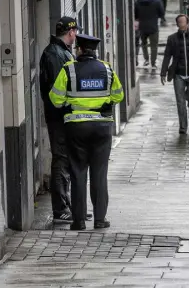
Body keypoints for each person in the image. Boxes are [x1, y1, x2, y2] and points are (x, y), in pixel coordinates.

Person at [49, 34, 124, 230]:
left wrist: (69, 104)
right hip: (102, 128)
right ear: (95, 51)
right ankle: (100, 219)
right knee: (99, 173)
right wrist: (105, 103)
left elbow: (55, 99)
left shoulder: (69, 70)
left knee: (77, 172)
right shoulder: (106, 69)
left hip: (76, 128)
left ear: (79, 49)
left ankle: (79, 221)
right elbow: (118, 95)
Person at [39, 16, 92, 223]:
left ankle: (69, 207)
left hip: (63, 117)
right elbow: (57, 91)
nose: (76, 36)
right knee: (61, 160)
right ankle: (61, 209)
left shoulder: (60, 52)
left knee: (66, 160)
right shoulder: (55, 54)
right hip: (59, 118)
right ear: (71, 32)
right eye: (75, 32)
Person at [160, 14, 189, 134]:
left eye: (183, 22)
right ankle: (183, 126)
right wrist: (163, 73)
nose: (181, 25)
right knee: (180, 102)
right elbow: (167, 56)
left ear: (187, 23)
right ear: (177, 24)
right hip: (178, 74)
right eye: (179, 22)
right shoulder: (172, 39)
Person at [135, 0, 165, 68]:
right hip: (153, 26)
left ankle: (146, 59)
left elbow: (135, 14)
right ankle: (153, 62)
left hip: (142, 26)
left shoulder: (138, 1)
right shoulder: (157, 1)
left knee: (144, 44)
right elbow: (161, 13)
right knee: (154, 46)